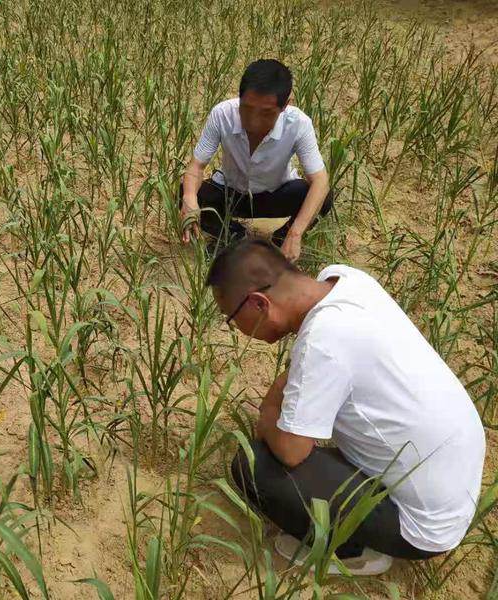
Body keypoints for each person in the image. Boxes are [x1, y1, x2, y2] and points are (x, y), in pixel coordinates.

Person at [207, 238, 486, 575]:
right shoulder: (345, 281)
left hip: (420, 526)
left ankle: (353, 550)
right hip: (454, 488)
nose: (236, 329)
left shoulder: (323, 341)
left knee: (253, 465)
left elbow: (291, 451)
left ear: (258, 303)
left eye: (231, 319)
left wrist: (268, 415)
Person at [180, 59, 333, 261]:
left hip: (275, 195)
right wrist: (190, 198)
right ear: (239, 97)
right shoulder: (222, 114)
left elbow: (320, 181)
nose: (254, 121)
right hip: (232, 194)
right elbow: (196, 167)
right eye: (247, 108)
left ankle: (282, 240)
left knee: (322, 196)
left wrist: (295, 233)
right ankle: (233, 237)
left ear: (285, 105)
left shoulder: (299, 124)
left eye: (266, 113)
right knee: (184, 191)